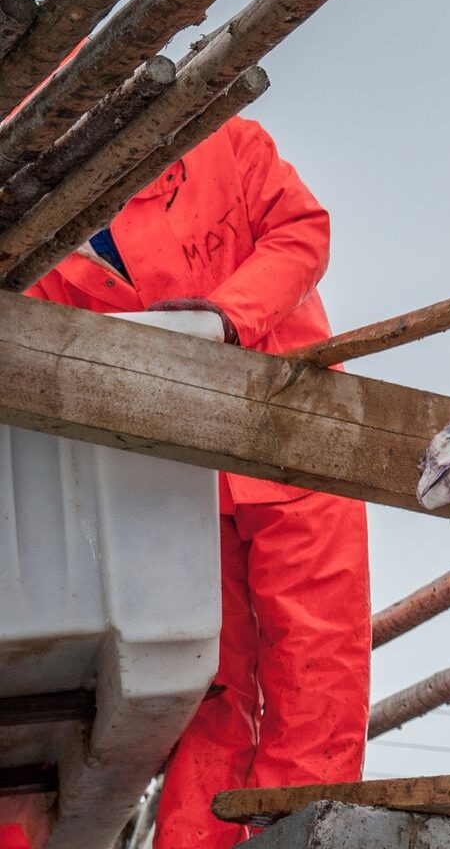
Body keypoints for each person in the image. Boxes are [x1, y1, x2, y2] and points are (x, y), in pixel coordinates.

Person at [25, 116, 369, 847]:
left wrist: (225, 316)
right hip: (176, 481)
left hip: (295, 439)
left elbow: (301, 232)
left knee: (316, 671)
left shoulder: (228, 143)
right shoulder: (46, 243)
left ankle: (296, 835)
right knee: (209, 685)